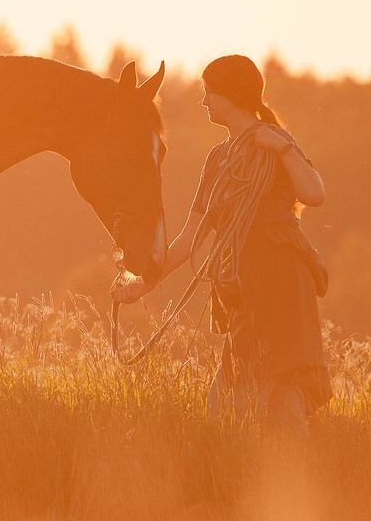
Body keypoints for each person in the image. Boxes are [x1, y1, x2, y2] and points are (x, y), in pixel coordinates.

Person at [115, 54, 330, 429]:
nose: (204, 101)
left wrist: (279, 147)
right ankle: (286, 474)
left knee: (244, 397)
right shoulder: (218, 159)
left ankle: (250, 472)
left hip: (280, 280)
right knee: (274, 395)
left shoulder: (276, 142)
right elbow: (188, 239)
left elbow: (314, 193)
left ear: (232, 95)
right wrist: (143, 285)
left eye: (210, 93)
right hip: (244, 285)